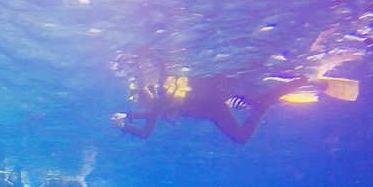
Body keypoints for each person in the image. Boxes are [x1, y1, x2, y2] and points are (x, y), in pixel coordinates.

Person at [112, 53, 357, 143]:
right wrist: (129, 116)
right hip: (217, 96)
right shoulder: (162, 93)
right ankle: (303, 83)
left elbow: (145, 132)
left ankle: (295, 86)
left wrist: (124, 125)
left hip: (214, 107)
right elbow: (151, 111)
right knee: (256, 99)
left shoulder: (158, 103)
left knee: (244, 133)